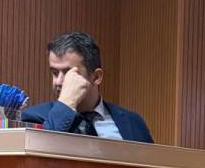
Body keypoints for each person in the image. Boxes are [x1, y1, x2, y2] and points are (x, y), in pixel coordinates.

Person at [22, 31, 152, 142]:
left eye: (69, 73)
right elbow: (40, 152)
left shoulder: (133, 122)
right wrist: (67, 103)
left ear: (96, 77)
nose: (58, 82)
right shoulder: (33, 119)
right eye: (55, 73)